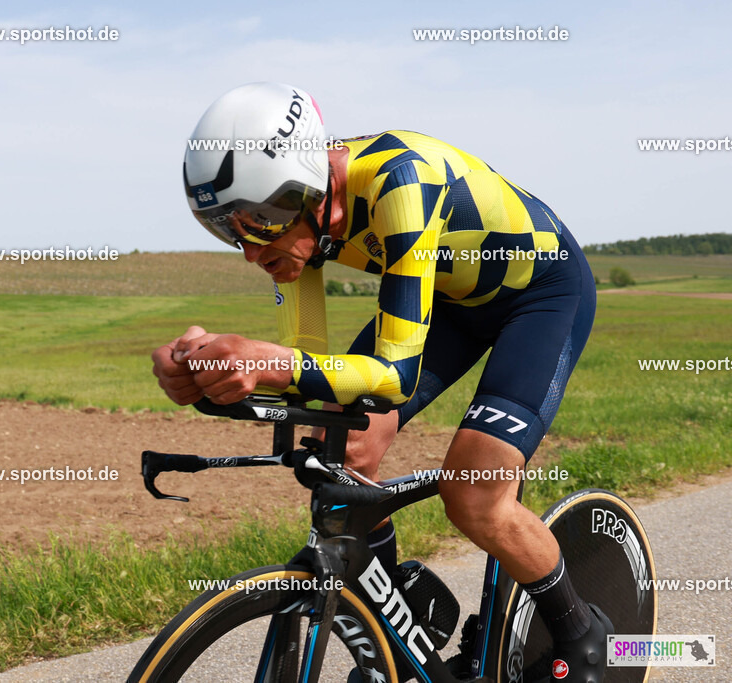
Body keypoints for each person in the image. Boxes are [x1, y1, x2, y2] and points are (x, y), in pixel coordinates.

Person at [152, 82, 608, 682]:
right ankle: (398, 614)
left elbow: (391, 377)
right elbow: (309, 369)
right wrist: (208, 369)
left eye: (256, 221)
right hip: (448, 302)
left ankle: (584, 636)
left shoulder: (401, 182)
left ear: (307, 189)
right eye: (229, 229)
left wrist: (272, 362)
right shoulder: (296, 225)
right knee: (334, 443)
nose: (248, 250)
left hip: (541, 296)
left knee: (474, 492)